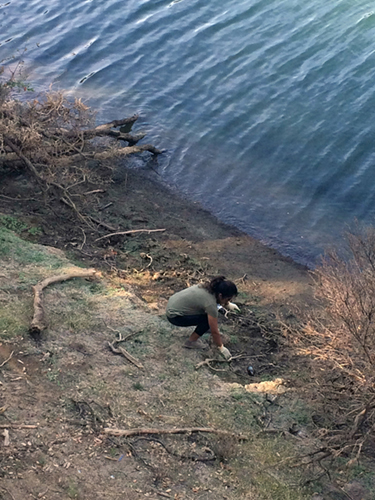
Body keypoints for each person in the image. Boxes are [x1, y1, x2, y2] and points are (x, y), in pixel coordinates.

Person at [166, 276, 238, 359]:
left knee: (208, 316)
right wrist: (221, 347)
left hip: (172, 305)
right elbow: (214, 332)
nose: (228, 301)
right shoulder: (210, 304)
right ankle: (191, 342)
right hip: (174, 316)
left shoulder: (208, 287)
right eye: (228, 299)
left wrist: (227, 304)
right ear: (220, 295)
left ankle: (200, 330)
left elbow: (213, 300)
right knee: (207, 321)